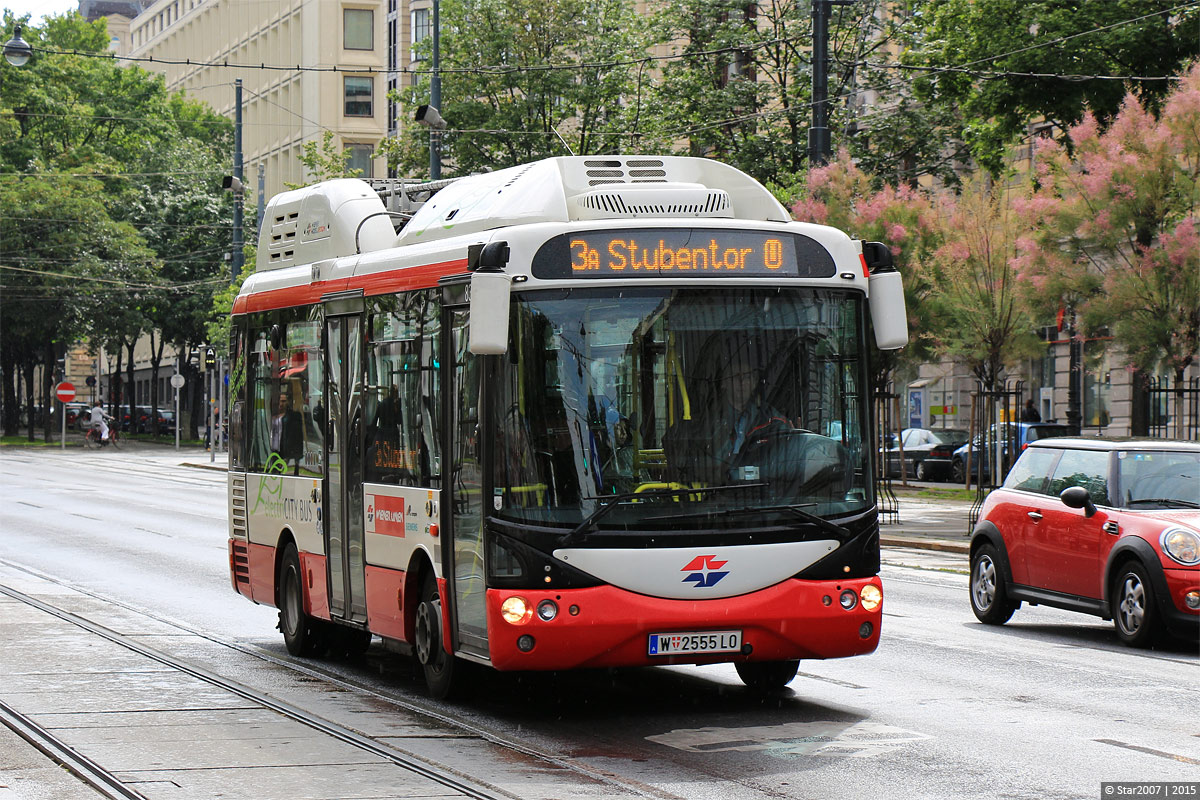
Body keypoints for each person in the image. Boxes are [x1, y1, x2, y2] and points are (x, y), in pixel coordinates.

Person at [271, 391, 305, 474]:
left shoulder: (294, 417)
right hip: (273, 452)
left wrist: (296, 456)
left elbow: (298, 437)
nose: (281, 404)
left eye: (283, 401)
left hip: (285, 454)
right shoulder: (271, 417)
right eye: (279, 401)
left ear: (288, 402)